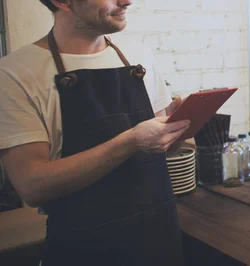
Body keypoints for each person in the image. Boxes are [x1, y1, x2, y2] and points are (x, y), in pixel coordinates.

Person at [0, 0, 190, 265]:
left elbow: (166, 148)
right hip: (84, 249)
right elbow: (32, 186)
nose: (126, 1)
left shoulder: (139, 55)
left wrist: (176, 127)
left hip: (160, 238)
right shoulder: (14, 74)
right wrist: (130, 141)